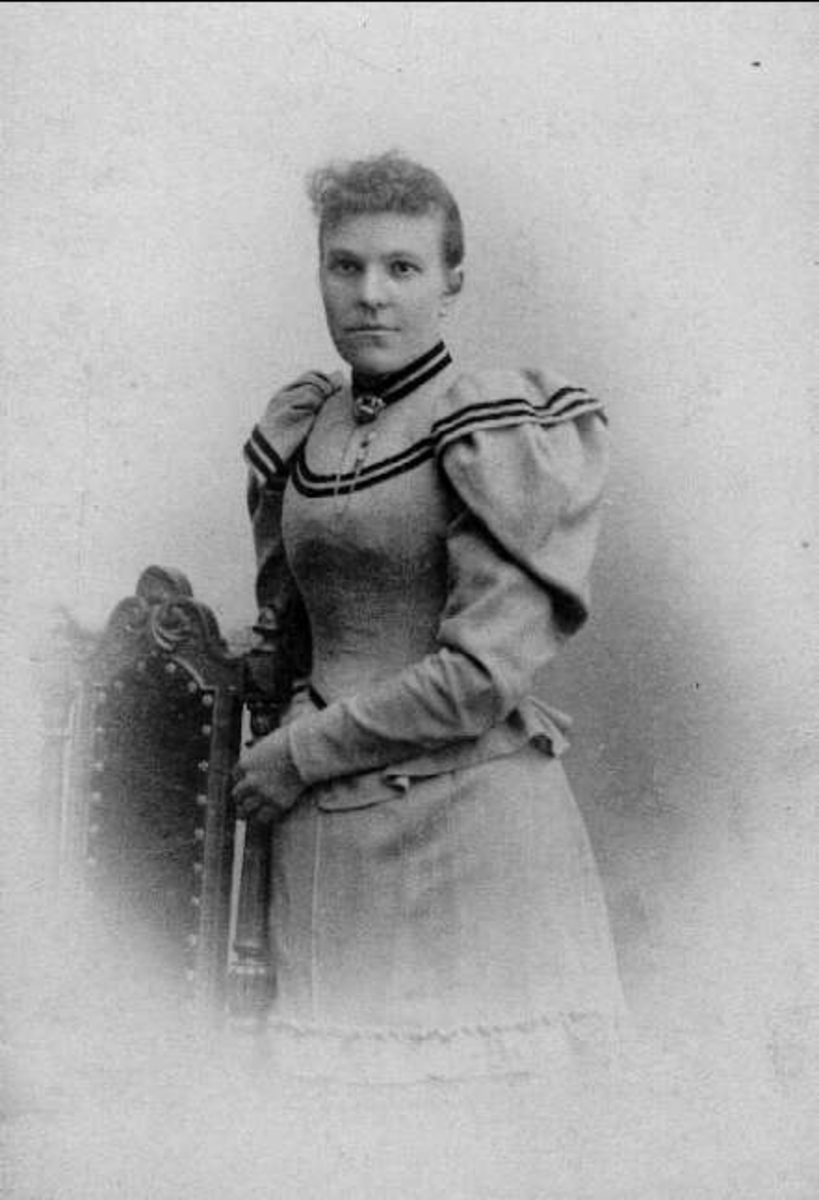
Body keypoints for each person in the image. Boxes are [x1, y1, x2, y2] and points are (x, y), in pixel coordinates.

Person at [233, 151, 624, 1082]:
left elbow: (479, 680)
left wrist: (295, 754)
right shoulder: (303, 423)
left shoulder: (493, 429)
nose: (370, 294)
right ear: (320, 273)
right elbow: (287, 634)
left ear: (451, 283)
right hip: (325, 838)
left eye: (401, 267)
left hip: (471, 830)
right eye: (346, 265)